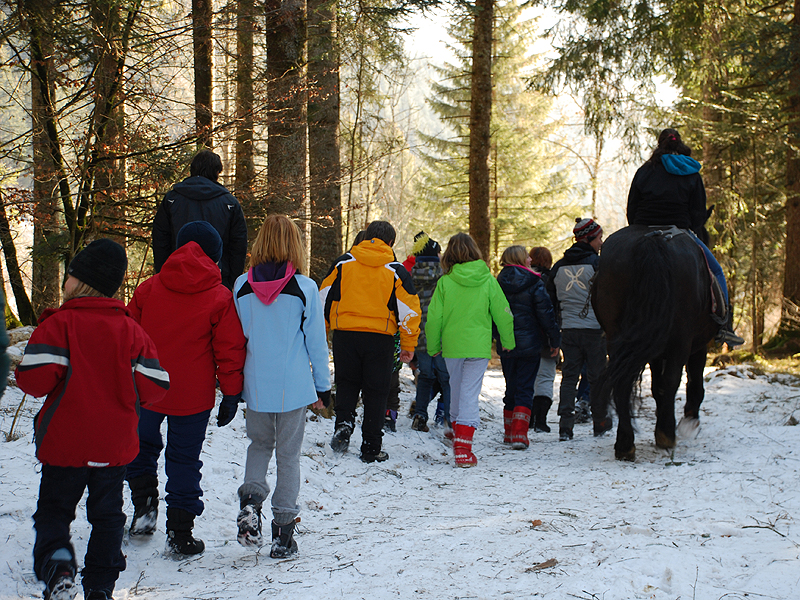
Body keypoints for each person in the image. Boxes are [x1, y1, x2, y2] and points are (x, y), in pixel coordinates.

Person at [15, 240, 170, 600]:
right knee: (108, 516)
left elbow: (34, 381)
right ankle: (100, 585)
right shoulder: (131, 331)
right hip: (112, 446)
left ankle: (59, 570)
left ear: (80, 281)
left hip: (65, 443)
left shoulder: (61, 325)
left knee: (54, 511)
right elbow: (157, 385)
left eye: (70, 274)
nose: (65, 280)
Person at [126, 221, 246, 555]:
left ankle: (144, 508)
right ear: (216, 256)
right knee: (183, 460)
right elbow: (229, 350)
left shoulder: (149, 288)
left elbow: (127, 336)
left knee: (141, 448)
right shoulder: (219, 296)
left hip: (146, 389)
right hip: (192, 398)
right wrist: (231, 393)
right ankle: (180, 534)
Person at [233, 215, 331, 558]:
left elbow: (239, 338)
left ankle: (250, 503)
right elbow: (317, 344)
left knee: (259, 445)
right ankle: (282, 535)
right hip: (294, 386)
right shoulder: (304, 288)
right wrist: (324, 387)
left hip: (256, 384)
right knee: (288, 456)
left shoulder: (240, 287)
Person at [627, 128, 744, 347]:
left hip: (642, 227)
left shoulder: (644, 171)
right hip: (679, 229)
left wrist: (635, 228)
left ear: (659, 145)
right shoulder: (690, 171)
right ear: (679, 144)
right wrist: (692, 228)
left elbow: (632, 205)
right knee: (717, 271)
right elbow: (699, 211)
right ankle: (724, 327)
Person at [320, 220, 421, 463]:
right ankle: (371, 446)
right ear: (391, 243)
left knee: (346, 383)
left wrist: (321, 332)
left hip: (345, 335)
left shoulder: (343, 262)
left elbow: (323, 296)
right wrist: (408, 345)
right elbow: (410, 310)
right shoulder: (396, 269)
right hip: (380, 338)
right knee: (377, 391)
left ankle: (343, 424)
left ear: (366, 237)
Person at [426, 233, 515, 467]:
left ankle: (457, 434)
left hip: (453, 346)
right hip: (478, 345)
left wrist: (433, 345)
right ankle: (463, 448)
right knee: (468, 393)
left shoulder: (445, 282)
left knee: (457, 390)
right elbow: (503, 312)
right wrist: (508, 340)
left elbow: (434, 318)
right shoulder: (487, 280)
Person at [547, 218, 607, 442]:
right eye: (599, 238)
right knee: (598, 377)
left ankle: (565, 427)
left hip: (569, 331)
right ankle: (600, 422)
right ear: (589, 238)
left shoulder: (559, 266)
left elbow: (550, 301)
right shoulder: (598, 265)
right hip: (594, 330)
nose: (601, 243)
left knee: (569, 378)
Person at [152, 149, 248, 290]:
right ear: (216, 172)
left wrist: (163, 275)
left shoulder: (172, 199)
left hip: (176, 280)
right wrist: (231, 282)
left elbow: (160, 240)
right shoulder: (229, 203)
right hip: (217, 282)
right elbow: (238, 246)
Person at [496, 246, 560, 449]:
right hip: (530, 343)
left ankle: (508, 432)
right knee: (525, 387)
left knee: (511, 387)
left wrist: (495, 337)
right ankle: (519, 435)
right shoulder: (535, 282)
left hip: (506, 344)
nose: (530, 260)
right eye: (527, 257)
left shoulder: (496, 282)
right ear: (520, 259)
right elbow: (546, 313)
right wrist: (554, 339)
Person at [409, 232, 451, 434]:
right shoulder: (445, 277)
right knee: (447, 378)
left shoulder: (410, 276)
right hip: (441, 336)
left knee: (425, 377)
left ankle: (420, 416)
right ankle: (450, 421)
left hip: (419, 335)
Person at [528, 247, 557, 433]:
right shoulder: (553, 280)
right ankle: (541, 421)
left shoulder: (522, 278)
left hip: (525, 336)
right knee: (545, 377)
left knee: (528, 378)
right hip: (546, 335)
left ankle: (527, 418)